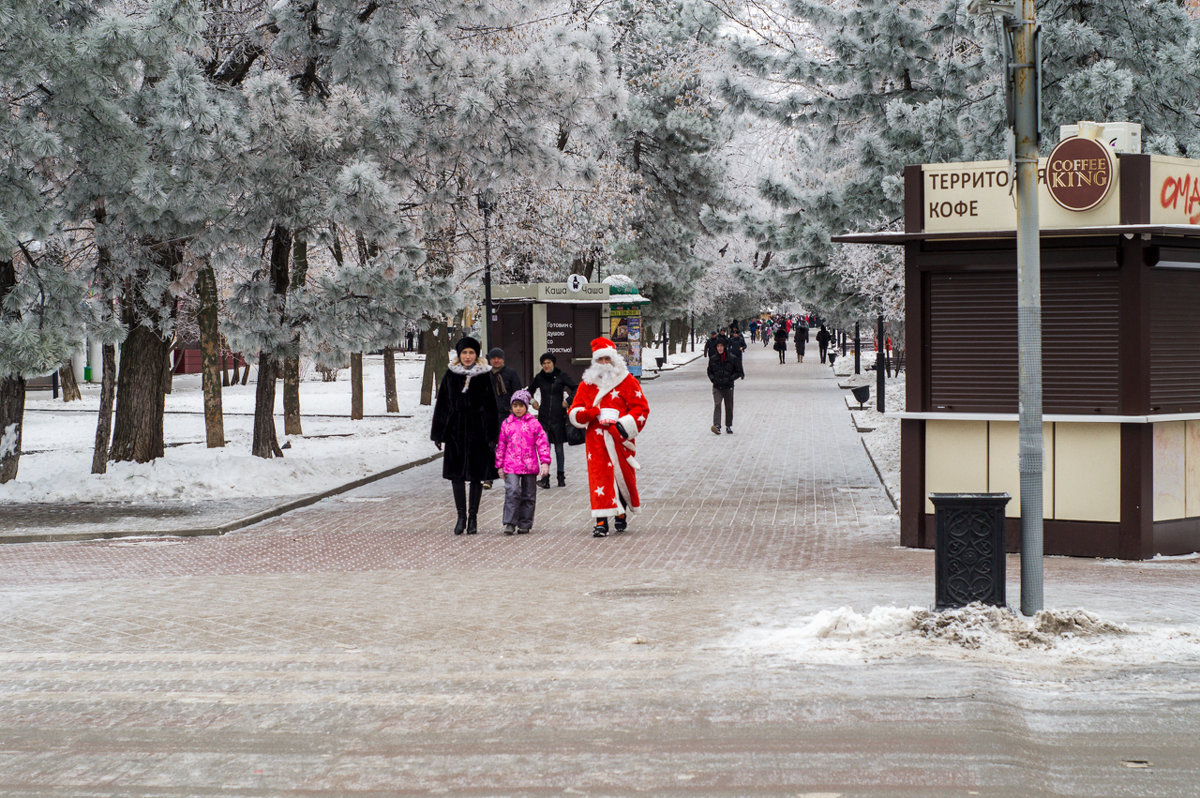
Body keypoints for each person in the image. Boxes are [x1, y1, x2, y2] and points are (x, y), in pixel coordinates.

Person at [568, 337, 650, 538]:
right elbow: (574, 411)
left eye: (607, 359)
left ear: (613, 360)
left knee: (622, 476)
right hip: (596, 441)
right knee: (599, 479)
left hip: (619, 437)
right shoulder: (587, 384)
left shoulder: (627, 381)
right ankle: (601, 521)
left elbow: (641, 408)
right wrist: (590, 413)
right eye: (600, 360)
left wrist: (622, 426)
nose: (604, 363)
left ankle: (620, 513)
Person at [430, 336, 499, 535]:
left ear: (476, 355)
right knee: (457, 477)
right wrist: (438, 433)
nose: (468, 356)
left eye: (471, 353)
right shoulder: (451, 375)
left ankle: (473, 518)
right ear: (459, 355)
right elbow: (442, 404)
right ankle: (461, 516)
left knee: (476, 477)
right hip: (456, 432)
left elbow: (491, 406)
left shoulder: (484, 375)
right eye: (464, 353)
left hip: (478, 431)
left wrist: (492, 434)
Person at [494, 389, 551, 535]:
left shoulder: (534, 424)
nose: (518, 409)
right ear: (511, 407)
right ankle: (510, 522)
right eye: (515, 406)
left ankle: (525, 522)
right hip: (511, 465)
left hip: (529, 465)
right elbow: (501, 445)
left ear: (526, 406)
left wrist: (545, 462)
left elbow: (542, 443)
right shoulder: (507, 424)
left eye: (521, 406)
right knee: (512, 491)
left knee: (528, 494)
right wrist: (499, 465)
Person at [527, 352, 577, 488]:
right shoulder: (539, 377)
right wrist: (532, 401)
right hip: (543, 418)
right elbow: (528, 391)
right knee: (545, 449)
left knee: (559, 449)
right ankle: (545, 477)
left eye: (548, 362)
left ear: (553, 363)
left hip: (559, 417)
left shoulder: (561, 376)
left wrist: (568, 401)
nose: (546, 365)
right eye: (543, 363)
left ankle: (561, 476)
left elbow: (576, 388)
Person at [485, 347, 523, 489]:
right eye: (494, 358)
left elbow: (517, 393)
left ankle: (510, 474)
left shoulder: (510, 373)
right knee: (490, 446)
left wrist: (514, 410)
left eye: (499, 358)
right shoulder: (486, 375)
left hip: (507, 415)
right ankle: (488, 477)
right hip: (490, 415)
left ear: (503, 359)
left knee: (508, 446)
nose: (496, 360)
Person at [707, 339, 744, 435]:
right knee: (717, 404)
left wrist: (730, 378)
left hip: (728, 386)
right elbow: (709, 371)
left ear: (724, 347)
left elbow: (738, 371)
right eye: (718, 346)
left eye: (721, 346)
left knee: (729, 406)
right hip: (717, 386)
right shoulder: (713, 358)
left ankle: (728, 425)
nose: (719, 348)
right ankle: (717, 425)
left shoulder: (732, 358)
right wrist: (713, 379)